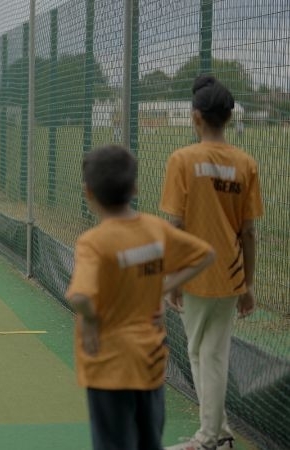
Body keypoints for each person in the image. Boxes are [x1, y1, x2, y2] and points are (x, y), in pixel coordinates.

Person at [66, 145, 215, 450]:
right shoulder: (155, 229)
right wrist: (161, 287)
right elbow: (205, 255)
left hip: (109, 367)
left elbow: (80, 295)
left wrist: (92, 320)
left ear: (88, 192)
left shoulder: (93, 242)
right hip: (150, 361)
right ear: (135, 187)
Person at [160, 75, 263, 450]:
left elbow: (176, 224)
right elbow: (249, 231)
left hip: (194, 272)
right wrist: (248, 283)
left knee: (205, 354)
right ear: (229, 118)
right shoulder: (245, 163)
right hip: (231, 273)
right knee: (210, 351)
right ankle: (219, 435)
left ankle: (209, 438)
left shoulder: (183, 160)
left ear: (197, 117)